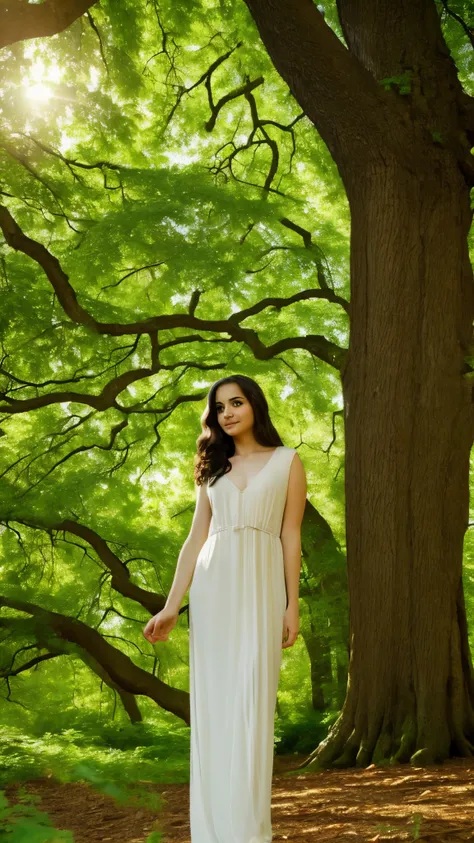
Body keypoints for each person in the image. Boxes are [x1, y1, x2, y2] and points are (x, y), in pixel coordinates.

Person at [143, 374, 307, 843]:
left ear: (255, 404)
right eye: (219, 407)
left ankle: (249, 831)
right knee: (215, 709)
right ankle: (214, 832)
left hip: (261, 587)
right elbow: (195, 538)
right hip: (214, 591)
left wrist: (292, 604)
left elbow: (290, 534)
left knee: (252, 704)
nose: (228, 413)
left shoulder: (287, 461)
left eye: (236, 403)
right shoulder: (213, 467)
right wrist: (173, 606)